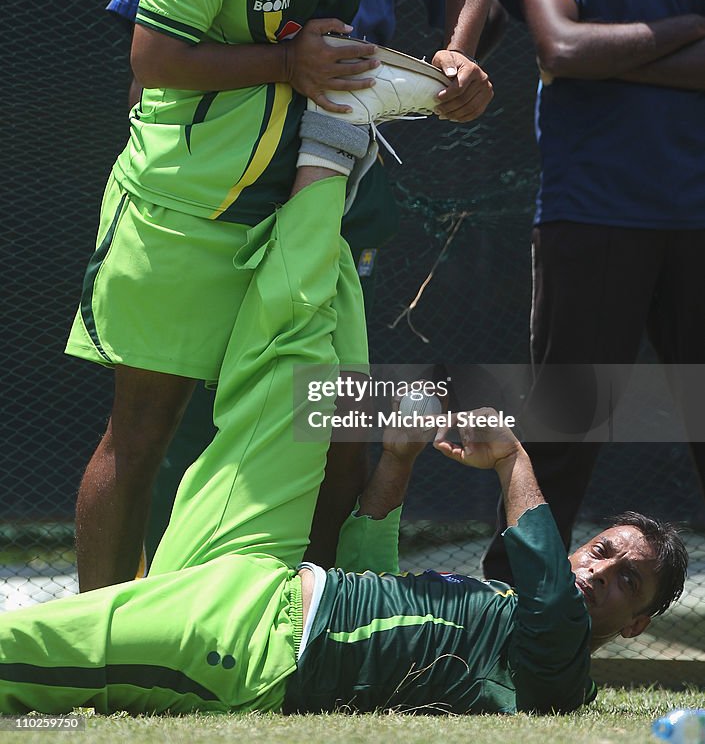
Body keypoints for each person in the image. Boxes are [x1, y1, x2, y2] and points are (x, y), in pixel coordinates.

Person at [0, 133, 688, 713]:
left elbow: (545, 585)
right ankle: (326, 148)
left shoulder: (559, 676)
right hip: (258, 571)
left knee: (33, 647)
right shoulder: (505, 610)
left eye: (628, 580)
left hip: (254, 647)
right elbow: (368, 575)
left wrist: (511, 460)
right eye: (601, 551)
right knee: (306, 379)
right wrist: (396, 461)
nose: (601, 572)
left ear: (634, 627)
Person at [66, 0, 495, 592]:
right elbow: (150, 59)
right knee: (142, 433)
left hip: (302, 215)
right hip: (181, 215)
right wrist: (285, 63)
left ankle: (306, 640)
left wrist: (456, 53)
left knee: (333, 430)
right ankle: (95, 645)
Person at [484, 0, 705, 582]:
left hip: (696, 215)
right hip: (593, 210)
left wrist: (616, 50)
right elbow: (559, 49)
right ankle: (506, 623)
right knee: (563, 430)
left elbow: (585, 48)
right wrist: (688, 27)